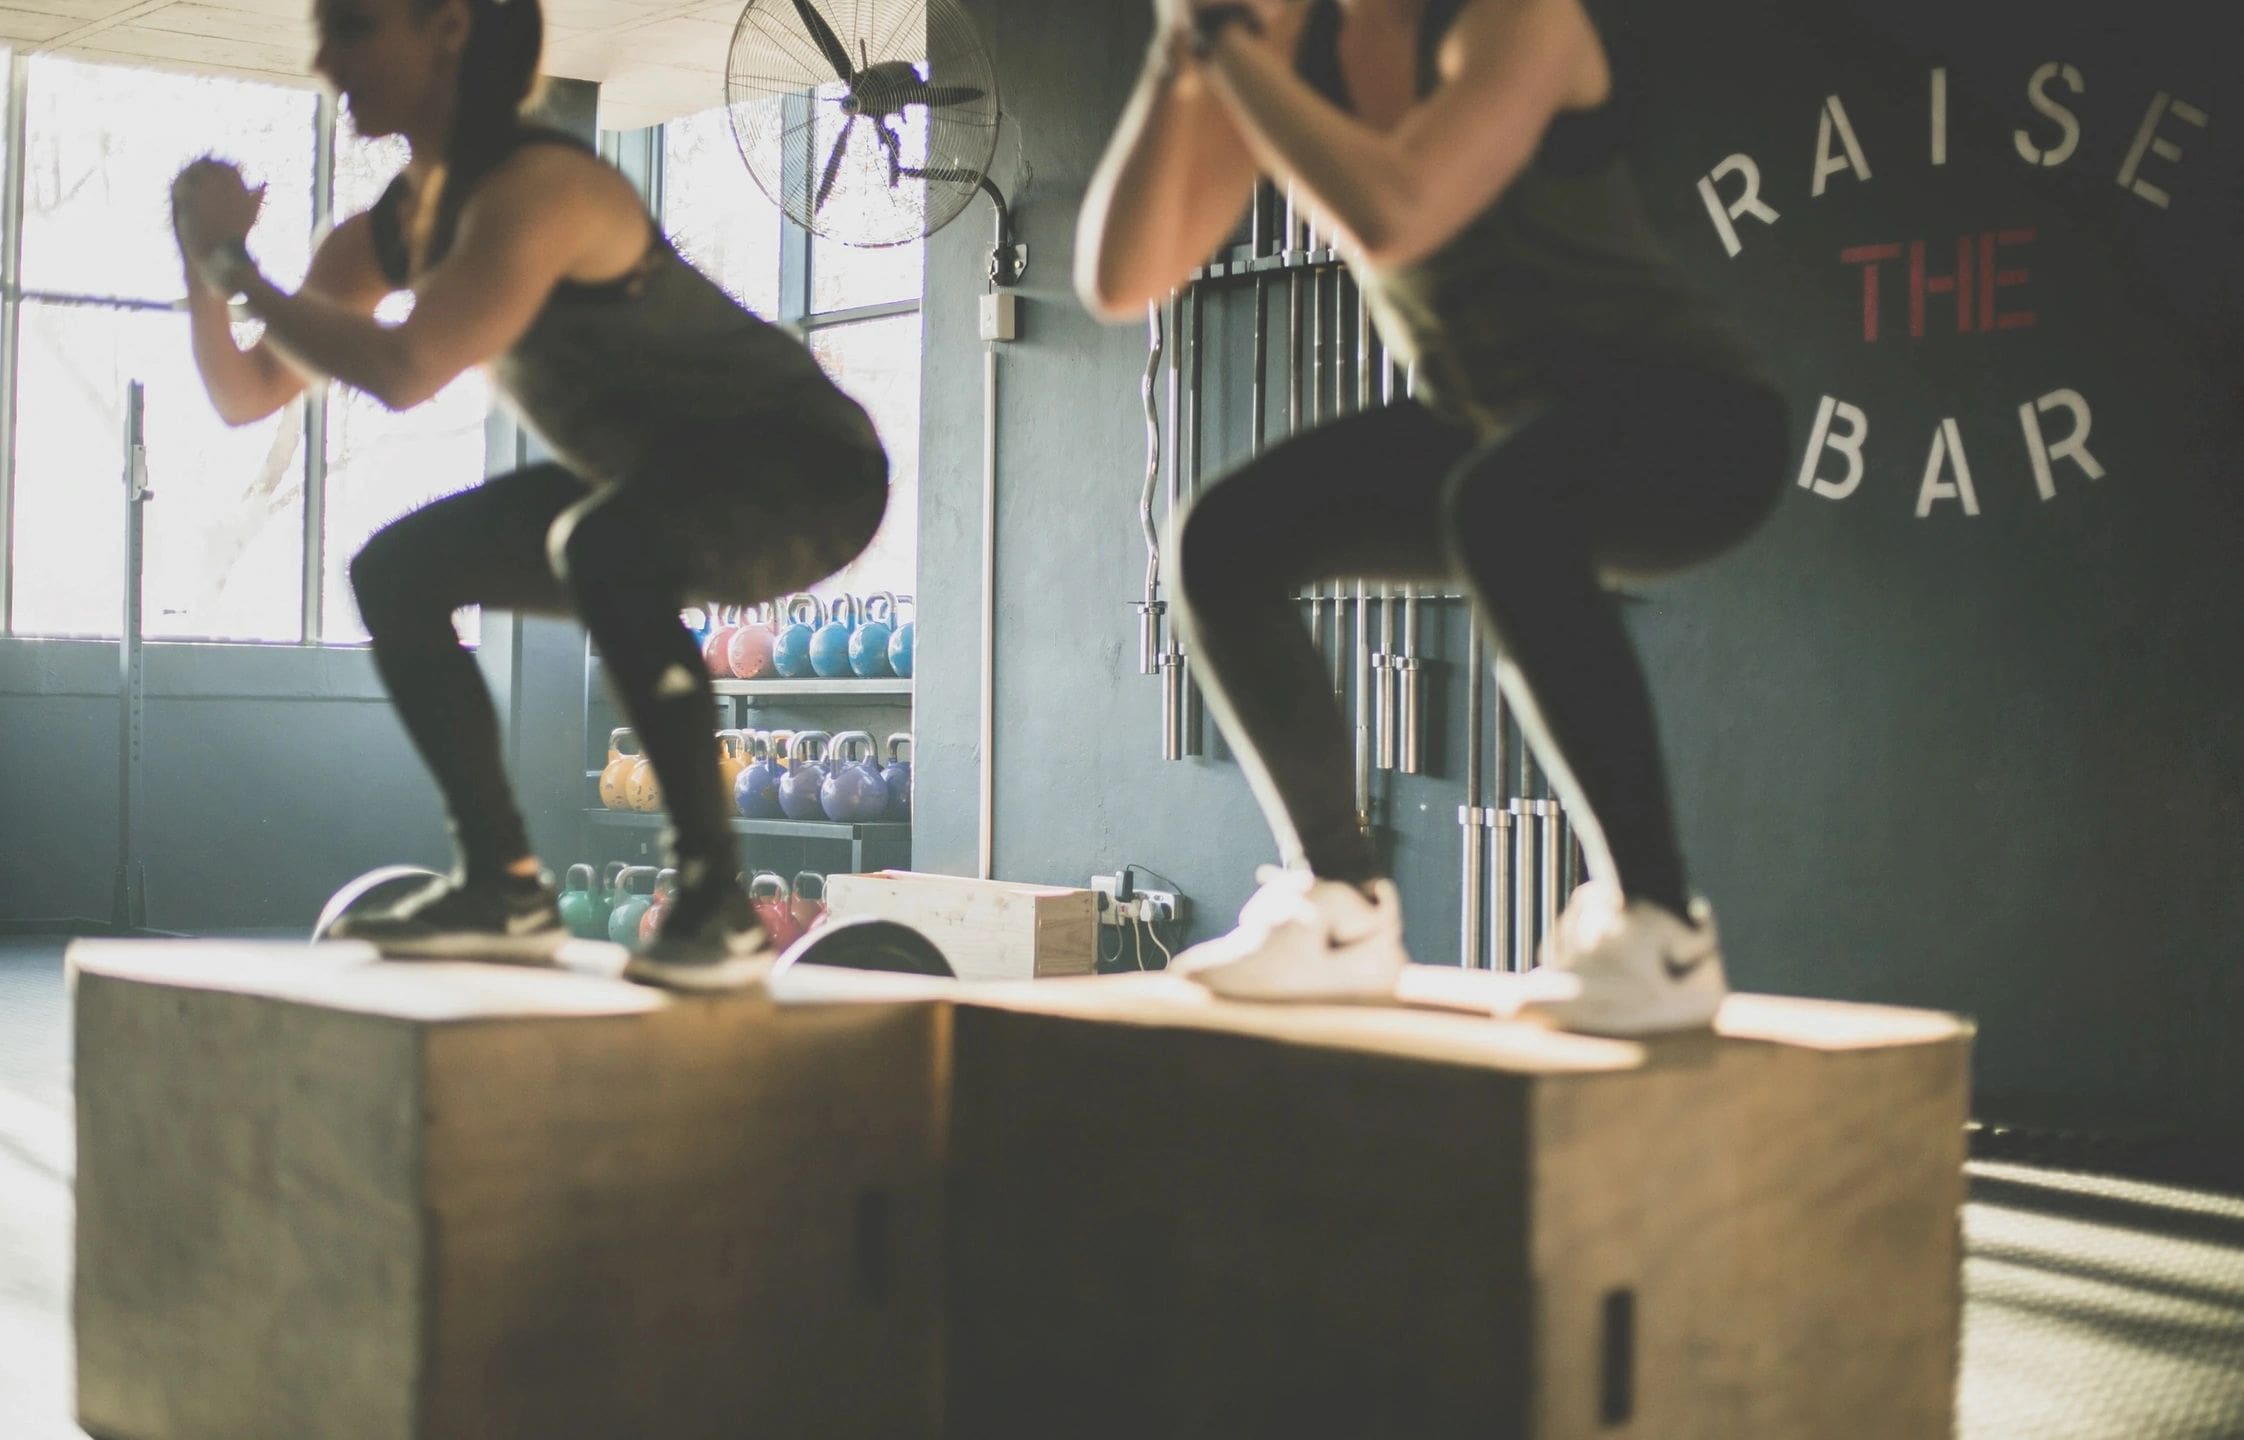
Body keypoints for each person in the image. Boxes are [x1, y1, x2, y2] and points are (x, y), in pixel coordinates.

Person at [1076, 0, 1789, 1035]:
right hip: (1492, 427)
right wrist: (1176, 55)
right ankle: (1341, 908)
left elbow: (1396, 209)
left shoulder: (1514, 21)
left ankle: (1662, 927)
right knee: (1223, 540)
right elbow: (1120, 277)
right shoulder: (1290, 56)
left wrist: (1227, 43)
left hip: (1694, 417)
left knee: (1504, 506)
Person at [170, 0, 889, 990]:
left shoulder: (544, 187)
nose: (327, 59)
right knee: (398, 570)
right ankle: (504, 885)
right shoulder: (380, 237)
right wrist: (204, 272)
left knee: (604, 546)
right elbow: (247, 394)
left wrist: (234, 264)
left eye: (357, 26)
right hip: (651, 481)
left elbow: (404, 367)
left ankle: (717, 903)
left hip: (805, 467)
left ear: (449, 27)